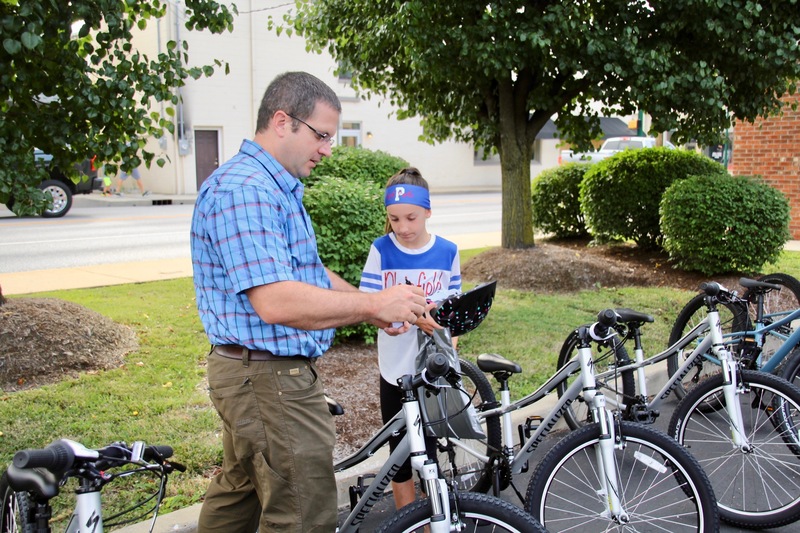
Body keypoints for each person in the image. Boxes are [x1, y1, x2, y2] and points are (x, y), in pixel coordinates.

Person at [190, 71, 430, 532]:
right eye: (321, 135)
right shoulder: (247, 191)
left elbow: (307, 274)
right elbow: (277, 301)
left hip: (254, 375)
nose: (327, 148)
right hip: (267, 378)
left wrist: (376, 303)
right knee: (303, 515)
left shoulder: (271, 187)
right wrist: (372, 307)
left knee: (238, 497)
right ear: (283, 122)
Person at [359, 167, 462, 511]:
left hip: (433, 371)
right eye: (394, 218)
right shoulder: (381, 249)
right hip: (394, 371)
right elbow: (368, 305)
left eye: (411, 218)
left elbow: (453, 318)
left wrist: (445, 337)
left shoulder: (447, 252)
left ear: (428, 212)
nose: (402, 227)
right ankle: (408, 519)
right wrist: (386, 321)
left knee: (430, 450)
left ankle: (434, 516)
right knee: (401, 454)